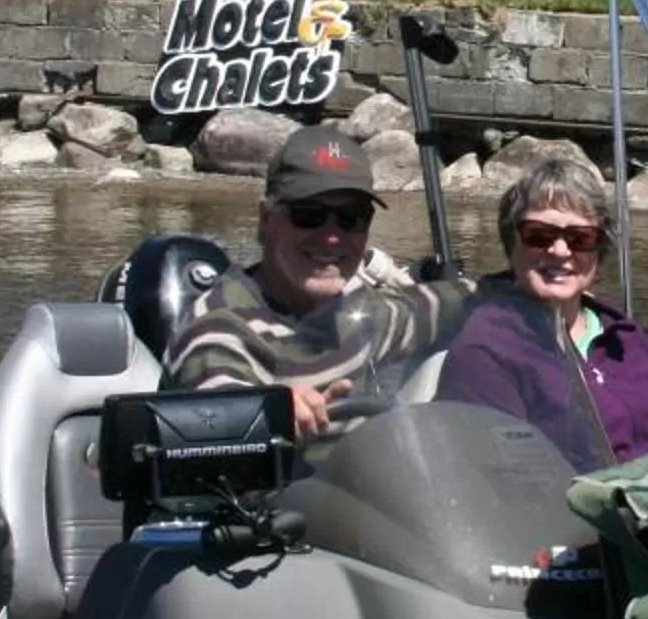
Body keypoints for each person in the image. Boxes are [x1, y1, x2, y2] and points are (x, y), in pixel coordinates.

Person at [161, 124, 442, 433]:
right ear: (266, 219)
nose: (333, 237)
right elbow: (218, 393)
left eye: (352, 218)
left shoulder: (364, 312)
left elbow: (447, 304)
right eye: (309, 215)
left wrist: (497, 292)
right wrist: (268, 408)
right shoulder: (217, 325)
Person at [435, 160, 648, 472]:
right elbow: (502, 483)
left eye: (580, 238)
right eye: (539, 235)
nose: (560, 250)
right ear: (511, 242)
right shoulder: (486, 352)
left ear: (599, 248)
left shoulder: (627, 339)